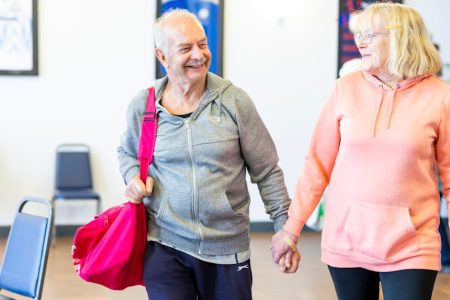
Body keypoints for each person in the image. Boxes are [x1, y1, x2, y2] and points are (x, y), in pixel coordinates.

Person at [271, 3, 450, 300]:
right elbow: (317, 165)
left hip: (413, 243)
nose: (360, 42)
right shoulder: (344, 89)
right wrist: (291, 230)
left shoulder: (440, 96)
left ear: (401, 37)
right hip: (348, 241)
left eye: (370, 34)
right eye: (359, 34)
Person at [117, 9, 292, 300]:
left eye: (202, 44)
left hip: (226, 249)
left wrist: (284, 228)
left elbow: (267, 169)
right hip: (164, 244)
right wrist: (132, 176)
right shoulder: (144, 106)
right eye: (185, 48)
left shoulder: (234, 101)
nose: (199, 55)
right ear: (162, 57)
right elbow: (126, 151)